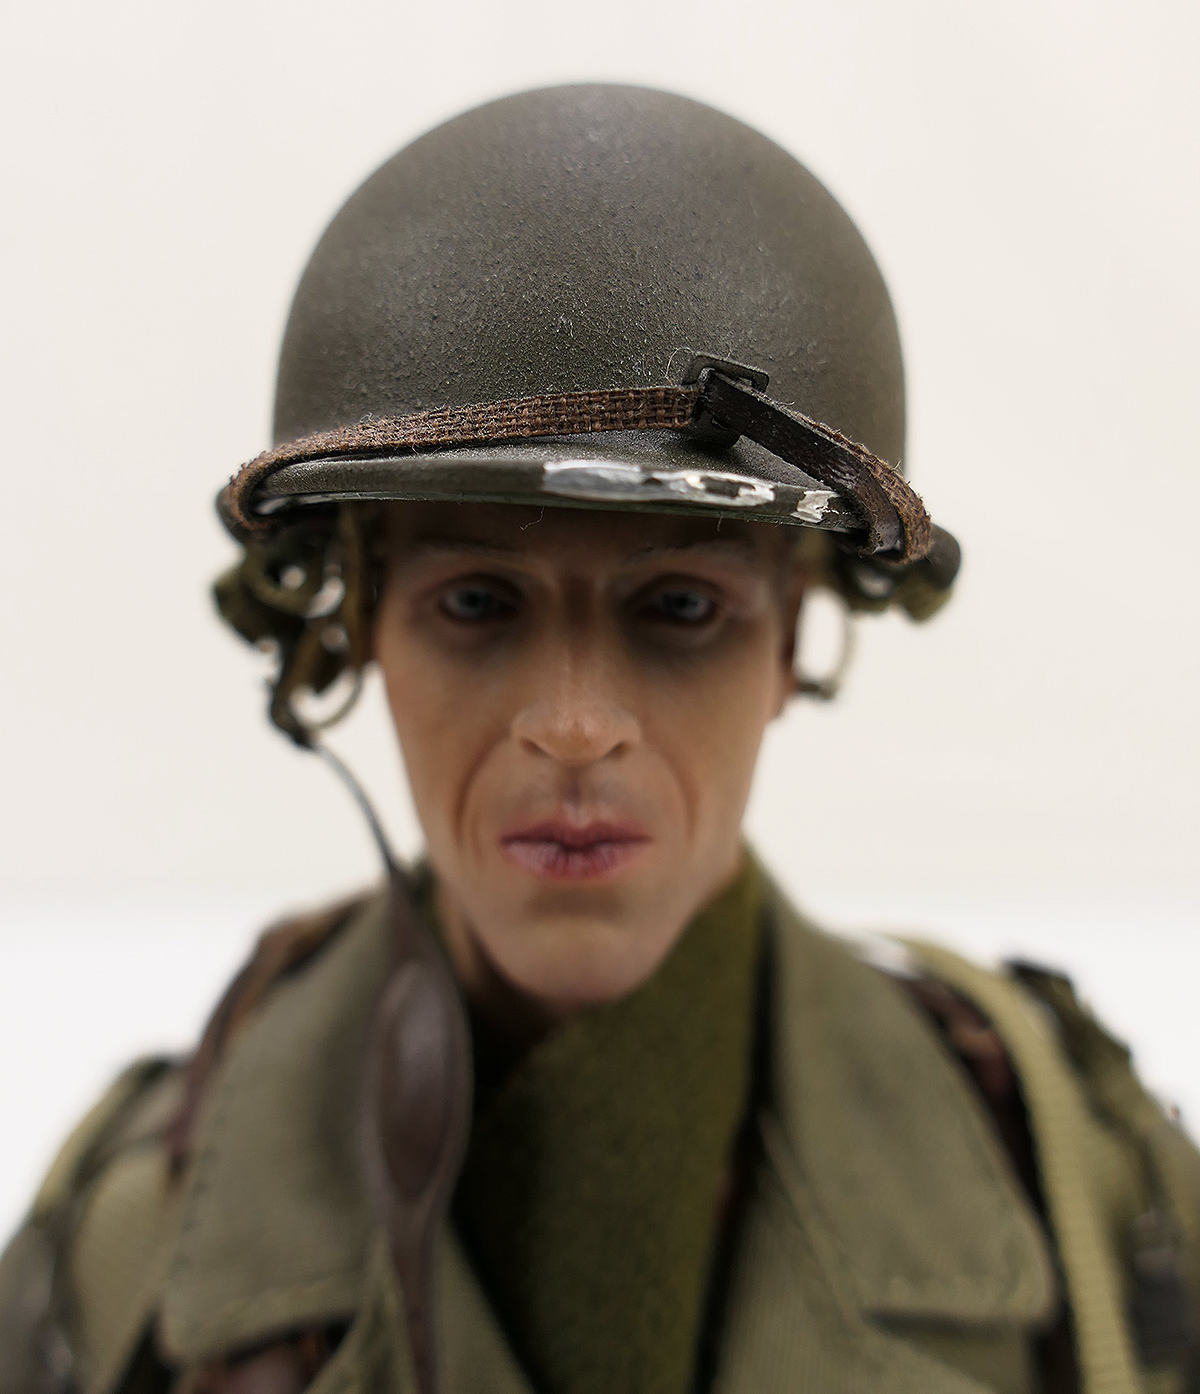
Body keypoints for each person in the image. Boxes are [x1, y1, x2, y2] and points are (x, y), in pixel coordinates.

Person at [1, 85, 1195, 1394]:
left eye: (680, 608)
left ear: (791, 641)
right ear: (359, 630)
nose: (572, 727)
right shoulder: (121, 1255)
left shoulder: (1083, 1193)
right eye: (476, 604)